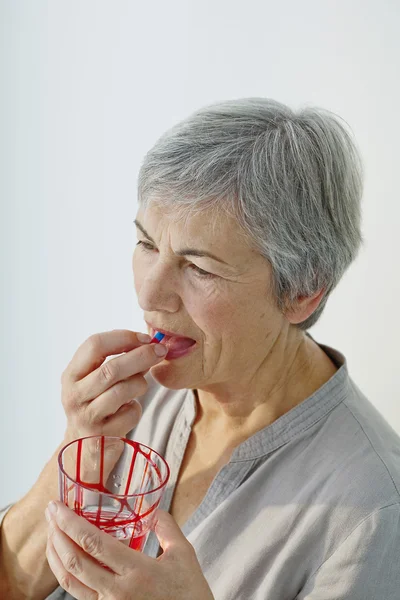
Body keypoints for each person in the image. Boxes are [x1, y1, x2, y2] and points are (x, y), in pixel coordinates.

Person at [1, 97, 399, 600]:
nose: (148, 294)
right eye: (147, 245)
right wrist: (79, 447)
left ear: (302, 291)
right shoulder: (135, 396)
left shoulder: (373, 509)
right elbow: (9, 582)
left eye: (199, 268)